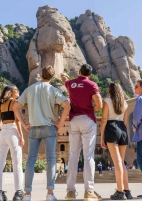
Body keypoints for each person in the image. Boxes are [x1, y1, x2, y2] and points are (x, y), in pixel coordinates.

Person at [13, 65, 71, 201]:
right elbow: (67, 106)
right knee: (51, 160)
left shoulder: (30, 89)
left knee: (30, 160)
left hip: (33, 128)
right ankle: (50, 194)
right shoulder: (53, 90)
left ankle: (27, 194)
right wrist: (60, 123)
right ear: (52, 77)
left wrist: (24, 124)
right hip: (50, 127)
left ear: (41, 74)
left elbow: (16, 106)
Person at [60, 64, 103, 201]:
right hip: (88, 120)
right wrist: (91, 109)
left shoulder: (71, 84)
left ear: (79, 72)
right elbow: (99, 104)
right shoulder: (92, 85)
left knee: (73, 156)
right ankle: (89, 192)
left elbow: (65, 81)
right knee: (88, 156)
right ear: (89, 75)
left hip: (74, 121)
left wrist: (63, 77)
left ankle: (70, 192)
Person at [101, 82, 133, 200]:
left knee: (117, 162)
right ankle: (127, 191)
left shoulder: (107, 101)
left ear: (110, 90)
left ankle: (120, 192)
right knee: (122, 162)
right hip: (123, 130)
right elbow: (125, 122)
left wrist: (102, 136)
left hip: (111, 127)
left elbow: (104, 119)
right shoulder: (125, 103)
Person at [0, 85, 25, 201]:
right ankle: (18, 192)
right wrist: (21, 136)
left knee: (0, 163)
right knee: (17, 162)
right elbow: (17, 121)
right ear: (12, 92)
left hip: (3, 133)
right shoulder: (15, 103)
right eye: (17, 90)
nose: (18, 92)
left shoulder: (0, 105)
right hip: (12, 130)